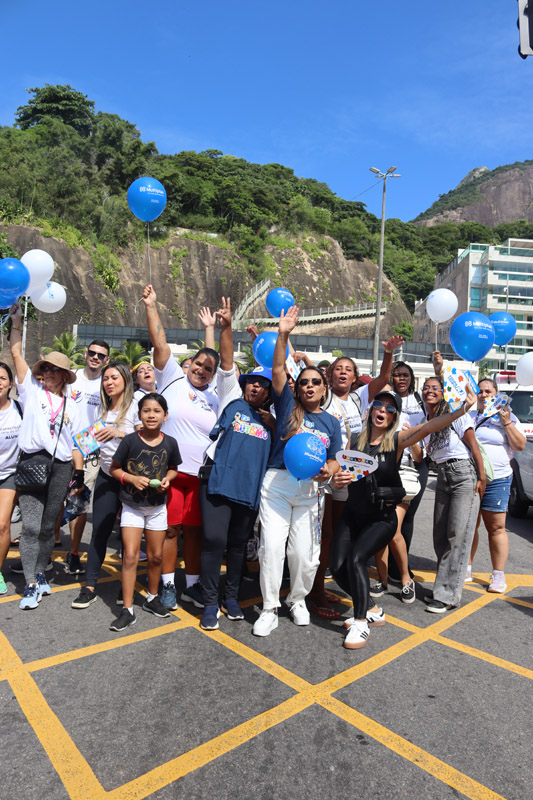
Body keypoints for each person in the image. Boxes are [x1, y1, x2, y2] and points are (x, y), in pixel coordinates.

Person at [330, 383, 478, 649]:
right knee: (338, 566)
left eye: (389, 408)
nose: (383, 410)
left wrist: (462, 410)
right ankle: (373, 609)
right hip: (353, 514)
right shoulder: (354, 439)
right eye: (379, 405)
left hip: (381, 518)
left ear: (394, 417)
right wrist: (337, 481)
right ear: (370, 410)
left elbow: (429, 427)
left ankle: (361, 622)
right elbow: (342, 477)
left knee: (356, 559)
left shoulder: (396, 440)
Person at [296, 337, 405, 619]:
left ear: (355, 377)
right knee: (323, 537)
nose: (343, 372)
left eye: (348, 369)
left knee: (337, 541)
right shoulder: (325, 397)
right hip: (328, 474)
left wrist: (388, 352)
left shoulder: (361, 399)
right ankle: (315, 592)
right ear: (329, 376)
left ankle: (339, 592)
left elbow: (382, 378)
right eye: (338, 368)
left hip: (352, 478)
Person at [253, 306, 342, 637]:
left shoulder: (331, 422)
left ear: (324, 388)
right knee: (272, 548)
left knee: (305, 555)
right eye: (303, 382)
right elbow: (278, 368)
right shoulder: (287, 405)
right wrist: (283, 334)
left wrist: (327, 472)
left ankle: (297, 599)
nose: (308, 386)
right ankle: (269, 607)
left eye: (315, 382)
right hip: (277, 483)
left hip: (311, 492)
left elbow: (335, 459)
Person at [142, 285, 219, 611]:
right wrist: (152, 305)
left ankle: (193, 584)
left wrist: (212, 331)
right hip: (170, 473)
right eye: (198, 364)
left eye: (208, 369)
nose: (201, 369)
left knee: (196, 532)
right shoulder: (172, 377)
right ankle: (169, 586)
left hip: (200, 476)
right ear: (189, 365)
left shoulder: (215, 395)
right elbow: (159, 341)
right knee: (171, 531)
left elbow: (215, 358)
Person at [199, 299, 273, 630]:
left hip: (248, 490)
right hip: (216, 482)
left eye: (262, 384)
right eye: (252, 382)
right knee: (214, 541)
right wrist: (226, 326)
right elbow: (226, 360)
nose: (255, 386)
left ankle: (231, 597)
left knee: (238, 547)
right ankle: (210, 602)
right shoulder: (232, 398)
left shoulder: (272, 421)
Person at [9, 303, 84, 610]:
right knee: (28, 526)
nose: (47, 373)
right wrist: (15, 323)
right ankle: (29, 583)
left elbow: (77, 444)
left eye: (53, 370)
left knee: (47, 526)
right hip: (31, 463)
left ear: (64, 375)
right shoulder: (31, 391)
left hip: (62, 467)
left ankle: (40, 573)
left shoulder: (73, 405)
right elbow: (16, 354)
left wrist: (78, 475)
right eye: (45, 368)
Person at [108, 393, 181, 631]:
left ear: (165, 415)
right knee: (129, 556)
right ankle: (127, 609)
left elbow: (173, 469)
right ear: (139, 415)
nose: (151, 415)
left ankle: (151, 597)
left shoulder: (170, 442)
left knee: (156, 557)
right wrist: (131, 478)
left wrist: (167, 480)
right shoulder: (130, 440)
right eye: (146, 411)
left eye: (157, 411)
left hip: (158, 507)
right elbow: (114, 469)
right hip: (132, 505)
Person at [71, 363, 139, 608]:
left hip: (132, 480)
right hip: (107, 476)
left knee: (128, 537)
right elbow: (84, 442)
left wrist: (118, 433)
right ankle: (89, 586)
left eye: (114, 377)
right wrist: (78, 469)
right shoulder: (102, 408)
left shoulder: (136, 405)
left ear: (125, 380)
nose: (109, 382)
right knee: (99, 530)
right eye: (106, 379)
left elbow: (147, 437)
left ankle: (126, 587)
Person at [421, 375, 485, 613]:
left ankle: (448, 595)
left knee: (457, 535)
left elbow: (473, 445)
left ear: (443, 393)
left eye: (435, 388)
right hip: (443, 476)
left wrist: (481, 476)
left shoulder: (454, 413)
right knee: (440, 535)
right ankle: (442, 588)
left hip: (463, 474)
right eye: (426, 387)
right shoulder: (426, 418)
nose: (430, 391)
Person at [373, 360, 427, 600]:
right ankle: (382, 580)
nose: (385, 411)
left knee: (393, 529)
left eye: (406, 375)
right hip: (379, 476)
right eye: (397, 375)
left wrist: (410, 438)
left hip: (405, 475)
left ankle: (405, 578)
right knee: (378, 529)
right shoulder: (377, 421)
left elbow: (419, 456)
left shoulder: (413, 413)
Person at [467, 378, 526, 592]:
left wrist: (507, 423)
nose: (483, 395)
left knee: (496, 527)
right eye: (480, 391)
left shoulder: (508, 417)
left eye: (488, 391)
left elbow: (519, 445)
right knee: (469, 525)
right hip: (471, 478)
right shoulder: (470, 416)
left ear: (496, 394)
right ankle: (466, 567)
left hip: (498, 479)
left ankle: (498, 575)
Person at [64, 339, 110, 575]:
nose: (95, 357)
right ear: (85, 354)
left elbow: (109, 418)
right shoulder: (70, 377)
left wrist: (82, 447)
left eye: (101, 355)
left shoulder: (107, 384)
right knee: (53, 504)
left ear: (106, 360)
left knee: (79, 505)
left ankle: (72, 553)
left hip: (89, 453)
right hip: (61, 449)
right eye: (92, 353)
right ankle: (44, 551)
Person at [0, 362, 23, 594]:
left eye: (2, 378)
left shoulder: (19, 408)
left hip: (9, 474)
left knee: (2, 524)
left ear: (10, 383)